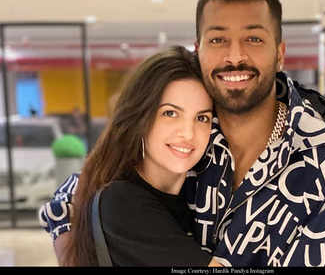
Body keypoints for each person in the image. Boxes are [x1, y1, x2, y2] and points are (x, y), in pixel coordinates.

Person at [39, 0, 325, 267]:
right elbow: (71, 196)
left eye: (253, 39)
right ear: (199, 51)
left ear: (279, 53)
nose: (234, 56)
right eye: (218, 39)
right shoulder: (193, 138)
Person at [47, 45, 215, 266]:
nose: (188, 133)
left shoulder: (201, 194)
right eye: (170, 113)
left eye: (202, 118)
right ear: (140, 118)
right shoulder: (122, 201)